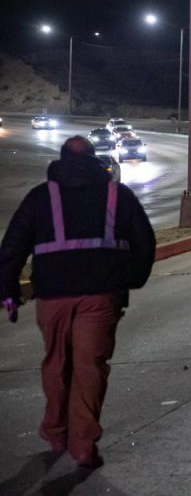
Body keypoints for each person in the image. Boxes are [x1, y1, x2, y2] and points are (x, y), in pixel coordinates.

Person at [0, 135, 155, 469]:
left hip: (52, 295)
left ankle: (56, 431)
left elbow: (11, 249)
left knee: (56, 362)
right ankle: (82, 443)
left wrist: (9, 292)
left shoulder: (40, 197)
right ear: (95, 159)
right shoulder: (118, 194)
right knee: (89, 365)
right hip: (100, 294)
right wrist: (131, 278)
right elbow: (146, 242)